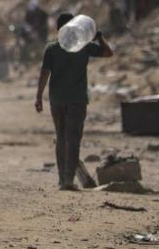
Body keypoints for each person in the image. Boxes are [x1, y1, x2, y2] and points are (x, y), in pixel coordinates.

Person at [35, 13, 114, 191]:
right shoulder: (84, 46)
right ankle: (68, 180)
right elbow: (108, 52)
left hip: (57, 100)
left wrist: (39, 97)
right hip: (77, 100)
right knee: (73, 139)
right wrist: (99, 37)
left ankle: (63, 179)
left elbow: (44, 74)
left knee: (61, 138)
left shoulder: (51, 48)